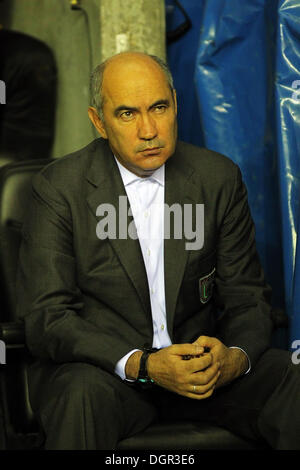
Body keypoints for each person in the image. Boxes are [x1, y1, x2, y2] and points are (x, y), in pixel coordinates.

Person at [17, 51, 300, 450]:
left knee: (292, 376)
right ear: (99, 122)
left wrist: (232, 358)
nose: (149, 129)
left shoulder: (217, 178)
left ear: (175, 106)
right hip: (108, 376)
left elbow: (248, 298)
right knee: (78, 395)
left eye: (159, 107)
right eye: (128, 114)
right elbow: (47, 317)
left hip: (201, 375)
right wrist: (144, 365)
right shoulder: (60, 188)